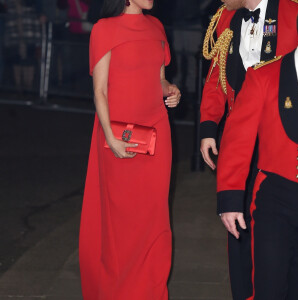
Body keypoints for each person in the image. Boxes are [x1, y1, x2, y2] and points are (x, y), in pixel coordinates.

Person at [79, 0, 181, 299]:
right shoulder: (104, 29)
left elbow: (158, 79)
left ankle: (150, 290)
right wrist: (109, 136)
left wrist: (170, 89)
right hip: (119, 133)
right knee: (122, 222)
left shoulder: (156, 27)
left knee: (155, 218)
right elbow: (100, 90)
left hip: (157, 133)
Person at [200, 1, 298, 299]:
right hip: (240, 136)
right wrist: (208, 125)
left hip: (279, 138)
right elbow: (216, 76)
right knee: (238, 219)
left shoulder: (292, 13)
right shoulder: (226, 19)